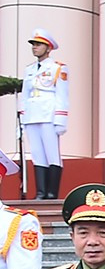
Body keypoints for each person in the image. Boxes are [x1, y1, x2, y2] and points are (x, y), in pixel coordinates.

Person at [20, 32, 68, 201]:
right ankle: (41, 192)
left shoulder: (58, 67)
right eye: (33, 44)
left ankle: (52, 192)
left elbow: (62, 95)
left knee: (52, 153)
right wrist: (22, 117)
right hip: (32, 115)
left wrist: (61, 119)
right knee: (37, 154)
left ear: (48, 48)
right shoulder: (29, 69)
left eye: (38, 44)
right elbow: (25, 95)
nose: (34, 47)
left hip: (49, 114)